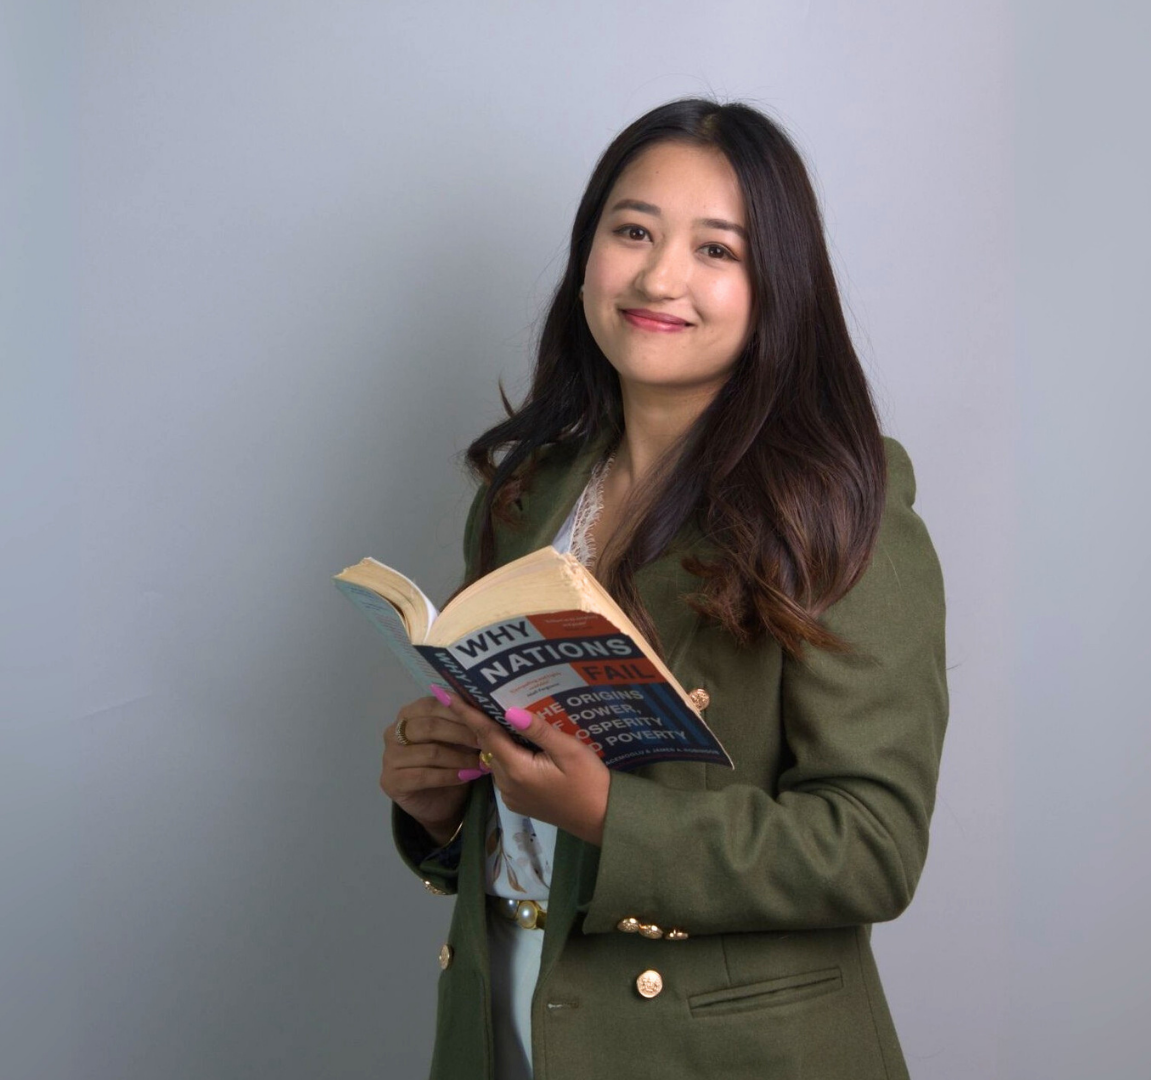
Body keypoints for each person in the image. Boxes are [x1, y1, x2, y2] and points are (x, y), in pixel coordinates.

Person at [376, 97, 949, 1080]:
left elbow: (875, 843)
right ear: (587, 249)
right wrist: (437, 809)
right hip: (506, 1017)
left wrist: (615, 817)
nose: (659, 276)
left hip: (721, 1052)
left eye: (717, 250)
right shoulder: (527, 493)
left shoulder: (838, 504)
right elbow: (521, 811)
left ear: (780, 285)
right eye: (632, 230)